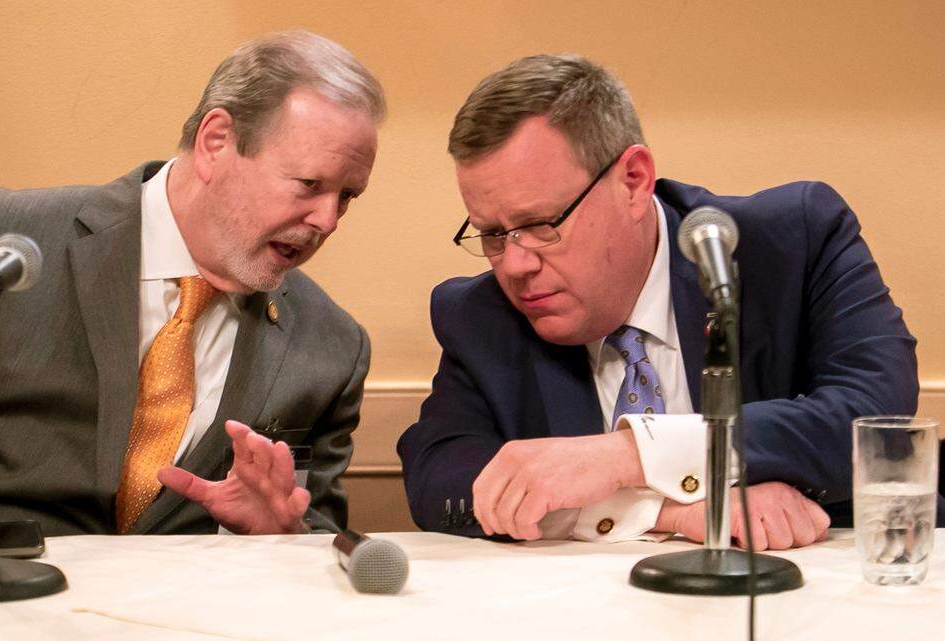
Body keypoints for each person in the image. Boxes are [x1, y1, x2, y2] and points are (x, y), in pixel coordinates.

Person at [0, 31, 385, 536]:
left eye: (348, 197)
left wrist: (279, 537)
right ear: (216, 142)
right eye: (309, 184)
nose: (328, 221)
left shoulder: (331, 347)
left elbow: (317, 535)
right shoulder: (4, 247)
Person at [397, 53, 929, 550]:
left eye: (539, 225)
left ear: (633, 181)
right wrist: (664, 510)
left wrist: (629, 455)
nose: (514, 264)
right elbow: (439, 481)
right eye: (492, 234)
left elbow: (874, 413)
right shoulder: (480, 314)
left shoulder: (793, 242)